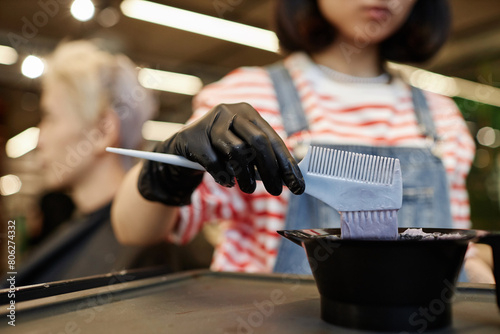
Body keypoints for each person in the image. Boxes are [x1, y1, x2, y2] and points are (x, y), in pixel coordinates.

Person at [111, 0, 476, 275]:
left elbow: (459, 254)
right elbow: (133, 229)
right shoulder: (251, 96)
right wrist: (170, 168)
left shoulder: (441, 116)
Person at [11, 40, 164, 286]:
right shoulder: (79, 225)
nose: (40, 139)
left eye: (50, 118)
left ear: (103, 130)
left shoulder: (146, 253)